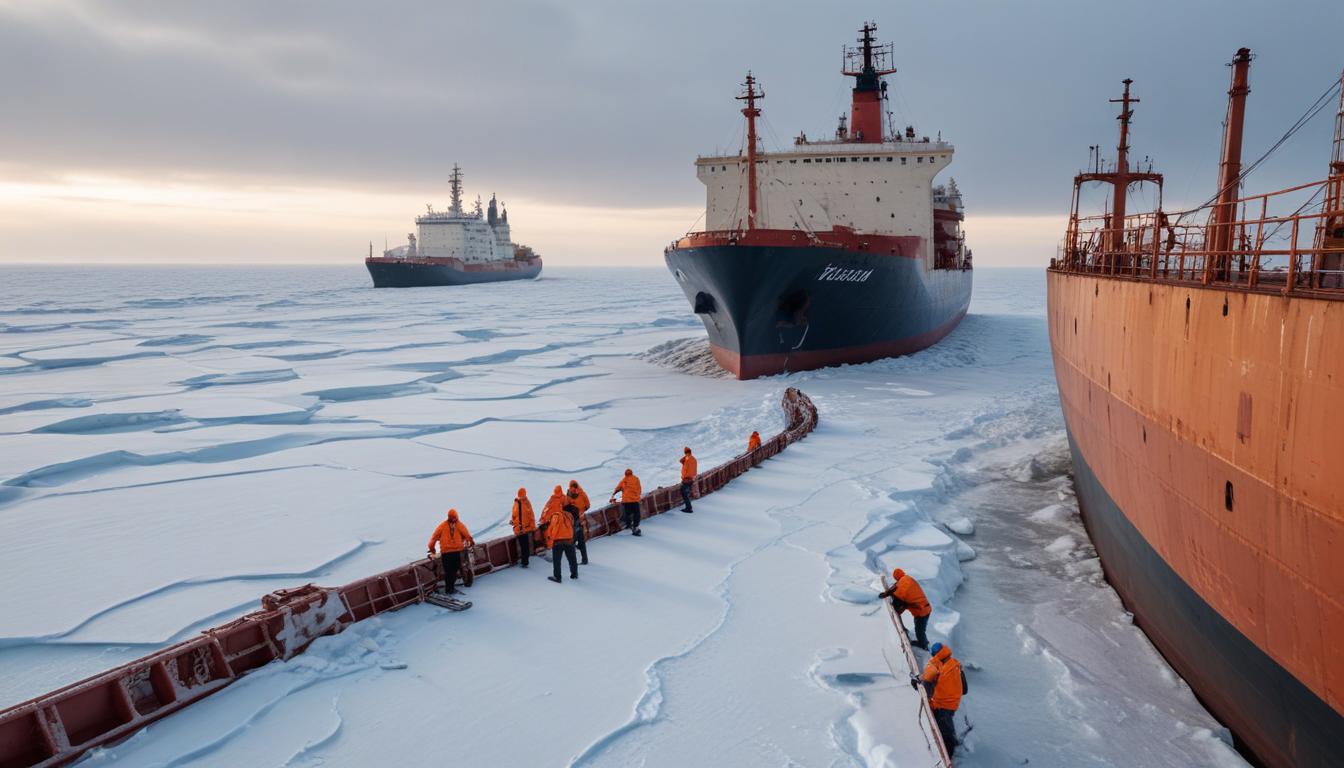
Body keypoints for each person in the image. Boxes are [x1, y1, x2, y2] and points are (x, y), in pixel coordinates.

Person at [920, 642, 965, 755]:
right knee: (947, 723)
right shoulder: (956, 664)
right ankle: (952, 742)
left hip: (941, 704)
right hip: (954, 703)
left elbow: (926, 687)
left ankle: (948, 754)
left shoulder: (934, 666)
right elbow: (965, 689)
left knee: (944, 729)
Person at [879, 567, 932, 650]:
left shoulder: (902, 583)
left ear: (896, 577)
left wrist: (886, 595)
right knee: (919, 627)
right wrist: (887, 593)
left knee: (919, 629)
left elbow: (898, 593)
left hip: (921, 611)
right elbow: (895, 588)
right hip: (925, 608)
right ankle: (923, 642)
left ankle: (924, 645)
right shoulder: (907, 578)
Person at [427, 509, 475, 594]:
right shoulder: (458, 525)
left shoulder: (442, 526)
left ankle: (449, 589)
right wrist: (471, 543)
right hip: (453, 552)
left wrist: (432, 550)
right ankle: (450, 589)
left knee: (449, 571)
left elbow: (433, 539)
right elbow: (467, 535)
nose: (453, 520)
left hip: (449, 553)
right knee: (452, 571)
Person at [541, 485, 578, 583]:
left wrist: (550, 543)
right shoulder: (569, 515)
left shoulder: (555, 516)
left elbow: (552, 531)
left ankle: (557, 577)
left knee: (557, 561)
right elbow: (572, 526)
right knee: (572, 559)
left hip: (558, 542)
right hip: (569, 540)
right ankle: (574, 574)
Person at [610, 468, 643, 536]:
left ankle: (628, 525)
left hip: (626, 501)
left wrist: (614, 493)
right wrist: (637, 495)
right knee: (636, 514)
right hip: (635, 500)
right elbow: (639, 488)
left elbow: (618, 488)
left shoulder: (624, 480)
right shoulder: (636, 479)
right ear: (631, 473)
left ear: (625, 474)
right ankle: (635, 527)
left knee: (628, 513)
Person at [566, 480, 591, 565]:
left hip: (572, 522)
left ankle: (573, 562)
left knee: (572, 541)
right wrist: (582, 511)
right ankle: (585, 559)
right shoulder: (582, 493)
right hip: (581, 520)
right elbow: (588, 505)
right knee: (581, 541)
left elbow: (565, 507)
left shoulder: (568, 495)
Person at [511, 488, 536, 568]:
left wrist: (532, 526)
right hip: (519, 528)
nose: (521, 496)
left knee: (524, 546)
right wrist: (513, 522)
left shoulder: (525, 503)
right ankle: (523, 561)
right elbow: (515, 515)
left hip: (524, 529)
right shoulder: (518, 502)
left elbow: (530, 515)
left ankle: (525, 562)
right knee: (523, 545)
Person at [679, 447, 697, 513]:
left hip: (686, 479)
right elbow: (681, 461)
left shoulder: (687, 460)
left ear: (685, 452)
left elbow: (685, 470)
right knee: (686, 493)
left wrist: (683, 478)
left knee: (684, 493)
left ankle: (689, 508)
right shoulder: (693, 459)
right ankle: (689, 507)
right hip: (692, 479)